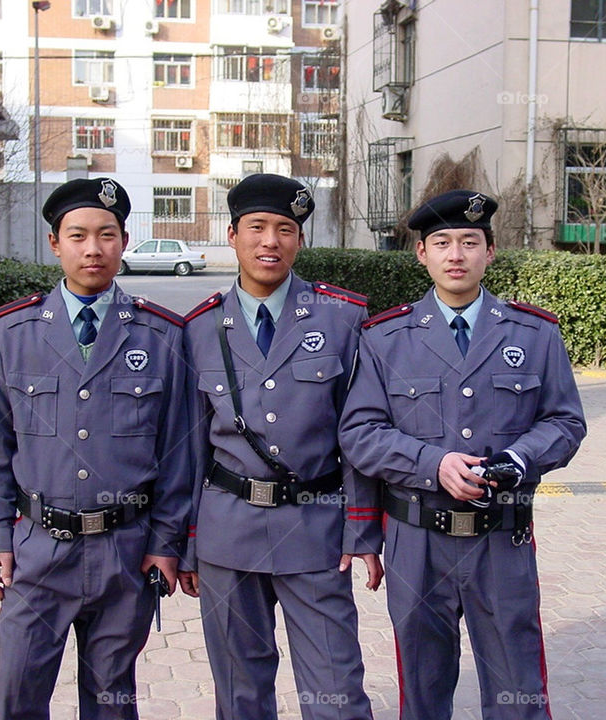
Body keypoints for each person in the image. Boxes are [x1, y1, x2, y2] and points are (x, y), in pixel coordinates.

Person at [338, 189, 587, 720]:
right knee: (423, 687)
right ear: (421, 254)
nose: (456, 254)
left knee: (517, 683)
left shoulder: (535, 333)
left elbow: (565, 422)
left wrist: (521, 460)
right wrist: (433, 464)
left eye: (470, 242)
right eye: (442, 242)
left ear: (490, 252)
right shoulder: (386, 337)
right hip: (417, 540)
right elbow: (360, 432)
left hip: (502, 537)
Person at [0, 177, 191, 720]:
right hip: (38, 552)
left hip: (125, 552)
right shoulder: (13, 332)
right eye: (78, 236)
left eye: (107, 235)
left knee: (112, 698)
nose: (92, 249)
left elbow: (178, 454)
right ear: (55, 243)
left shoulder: (160, 335)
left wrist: (166, 542)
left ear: (123, 241)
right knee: (18, 693)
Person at [179, 173, 382, 720]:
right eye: (257, 227)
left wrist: (361, 528)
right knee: (240, 692)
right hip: (227, 537)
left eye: (285, 230)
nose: (271, 241)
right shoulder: (199, 327)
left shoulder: (342, 319)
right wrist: (188, 542)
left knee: (337, 691)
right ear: (232, 234)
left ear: (298, 240)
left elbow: (358, 433)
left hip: (316, 532)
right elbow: (189, 449)